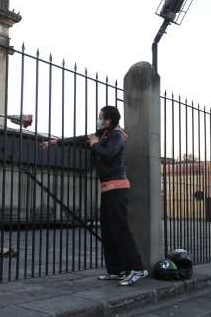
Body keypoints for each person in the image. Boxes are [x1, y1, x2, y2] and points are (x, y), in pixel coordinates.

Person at [41, 106, 147, 286]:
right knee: (108, 231)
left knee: (120, 230)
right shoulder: (103, 134)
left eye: (101, 117)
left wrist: (95, 143)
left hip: (118, 189)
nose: (98, 119)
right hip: (107, 189)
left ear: (109, 120)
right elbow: (81, 139)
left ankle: (137, 269)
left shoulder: (117, 135)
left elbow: (109, 153)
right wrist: (56, 142)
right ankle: (116, 270)